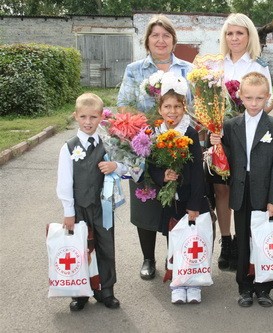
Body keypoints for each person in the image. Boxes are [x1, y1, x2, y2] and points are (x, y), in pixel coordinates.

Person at [116, 14, 193, 280]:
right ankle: (148, 258)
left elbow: (194, 107)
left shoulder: (187, 69)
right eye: (155, 35)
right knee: (146, 202)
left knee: (177, 202)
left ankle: (175, 256)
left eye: (166, 35)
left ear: (174, 40)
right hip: (145, 146)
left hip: (180, 144)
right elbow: (124, 105)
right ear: (147, 40)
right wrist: (147, 126)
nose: (161, 40)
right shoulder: (135, 70)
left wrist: (178, 131)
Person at [210, 72, 273, 307]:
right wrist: (215, 144)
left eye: (259, 99)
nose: (253, 103)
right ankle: (244, 286)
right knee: (243, 240)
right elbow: (226, 158)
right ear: (240, 96)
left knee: (263, 240)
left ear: (267, 98)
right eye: (249, 98)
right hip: (241, 190)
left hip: (264, 191)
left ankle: (264, 287)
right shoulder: (231, 125)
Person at [210, 13, 273, 272]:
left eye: (240, 33)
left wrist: (244, 115)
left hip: (249, 136)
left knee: (244, 188)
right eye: (229, 33)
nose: (234, 38)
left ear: (250, 36)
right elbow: (205, 99)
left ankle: (243, 240)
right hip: (220, 136)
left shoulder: (259, 65)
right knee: (221, 189)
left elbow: (268, 102)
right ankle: (227, 242)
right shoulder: (215, 65)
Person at [57, 93, 127, 311]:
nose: (88, 122)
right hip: (79, 208)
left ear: (101, 117)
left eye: (93, 117)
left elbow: (127, 165)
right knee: (81, 248)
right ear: (76, 116)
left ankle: (106, 290)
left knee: (106, 246)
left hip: (103, 206)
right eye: (84, 117)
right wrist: (69, 211)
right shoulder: (68, 147)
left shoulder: (108, 143)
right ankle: (80, 292)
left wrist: (116, 166)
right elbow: (64, 182)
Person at [148, 74, 210, 304]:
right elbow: (151, 166)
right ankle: (177, 280)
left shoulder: (190, 133)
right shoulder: (155, 133)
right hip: (170, 200)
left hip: (189, 199)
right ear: (160, 108)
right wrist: (162, 176)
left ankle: (193, 282)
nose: (172, 111)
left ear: (184, 107)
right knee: (174, 240)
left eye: (177, 106)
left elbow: (196, 172)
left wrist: (195, 204)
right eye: (167, 106)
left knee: (193, 241)